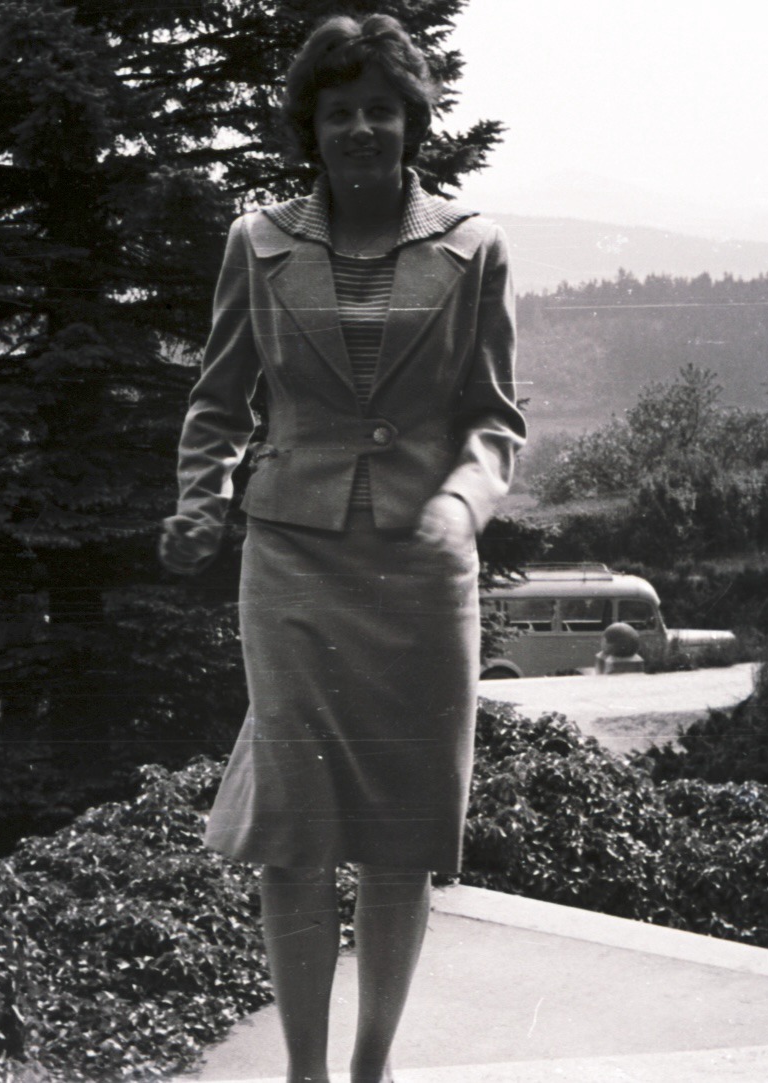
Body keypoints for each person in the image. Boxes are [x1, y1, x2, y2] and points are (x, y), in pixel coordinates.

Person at [158, 13, 523, 1082]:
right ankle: (305, 1073)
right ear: (309, 130)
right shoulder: (257, 242)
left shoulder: (474, 245)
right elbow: (219, 400)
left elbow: (497, 421)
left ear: (412, 123)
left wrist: (463, 504)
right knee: (296, 827)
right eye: (339, 112)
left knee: (403, 835)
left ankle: (371, 1066)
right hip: (291, 561)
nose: (362, 127)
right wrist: (200, 501)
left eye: (381, 110)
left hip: (422, 565)